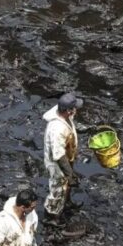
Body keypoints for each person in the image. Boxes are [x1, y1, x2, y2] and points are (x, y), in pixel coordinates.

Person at [43, 92, 83, 226]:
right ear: (67, 110)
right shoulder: (56, 129)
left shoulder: (64, 114)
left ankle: (67, 203)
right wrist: (69, 174)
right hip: (57, 164)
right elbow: (58, 155)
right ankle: (52, 217)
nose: (76, 110)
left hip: (67, 155)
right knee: (58, 188)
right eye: (74, 108)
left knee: (67, 185)